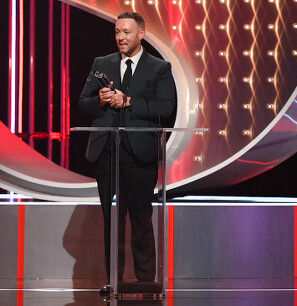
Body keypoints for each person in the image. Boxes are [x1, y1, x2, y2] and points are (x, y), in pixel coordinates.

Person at [78, 12, 176, 295]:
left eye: (127, 32)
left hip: (140, 155)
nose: (121, 37)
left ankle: (146, 285)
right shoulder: (102, 64)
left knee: (141, 219)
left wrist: (128, 100)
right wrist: (99, 99)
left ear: (141, 34)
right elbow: (83, 104)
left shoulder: (159, 68)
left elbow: (165, 109)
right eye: (118, 32)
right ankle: (115, 284)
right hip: (107, 152)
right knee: (112, 222)